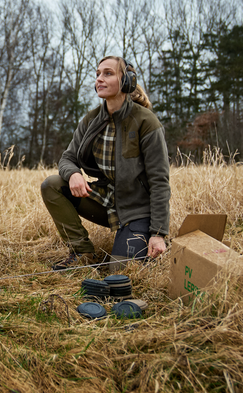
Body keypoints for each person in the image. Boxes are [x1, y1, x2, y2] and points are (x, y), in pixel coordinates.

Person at [41, 56, 170, 270]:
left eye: (108, 73)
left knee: (118, 273)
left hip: (136, 210)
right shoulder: (91, 119)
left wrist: (157, 233)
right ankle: (82, 251)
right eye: (98, 74)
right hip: (105, 199)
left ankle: (147, 237)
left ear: (127, 81)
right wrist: (74, 174)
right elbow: (67, 158)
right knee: (52, 185)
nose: (99, 79)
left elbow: (160, 182)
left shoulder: (146, 122)